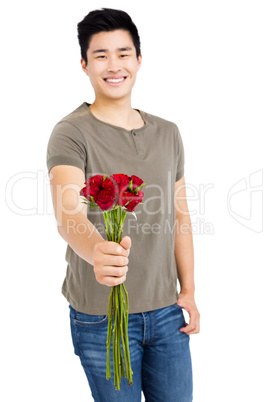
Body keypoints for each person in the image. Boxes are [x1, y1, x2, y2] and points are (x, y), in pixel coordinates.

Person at [46, 7, 200, 402]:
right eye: (100, 55)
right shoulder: (71, 132)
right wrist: (97, 251)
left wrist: (189, 290)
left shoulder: (168, 133)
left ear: (138, 59)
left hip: (167, 312)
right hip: (101, 316)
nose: (113, 65)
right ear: (84, 64)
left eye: (123, 53)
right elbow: (68, 215)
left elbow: (180, 216)